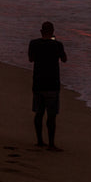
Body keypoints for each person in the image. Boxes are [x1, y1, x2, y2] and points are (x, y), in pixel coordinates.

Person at [28, 21, 67, 150]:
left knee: (39, 113)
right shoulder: (57, 45)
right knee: (51, 115)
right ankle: (51, 143)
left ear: (41, 31)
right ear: (53, 32)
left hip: (38, 83)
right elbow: (64, 59)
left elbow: (31, 59)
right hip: (52, 84)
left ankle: (39, 140)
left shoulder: (34, 44)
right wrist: (55, 42)